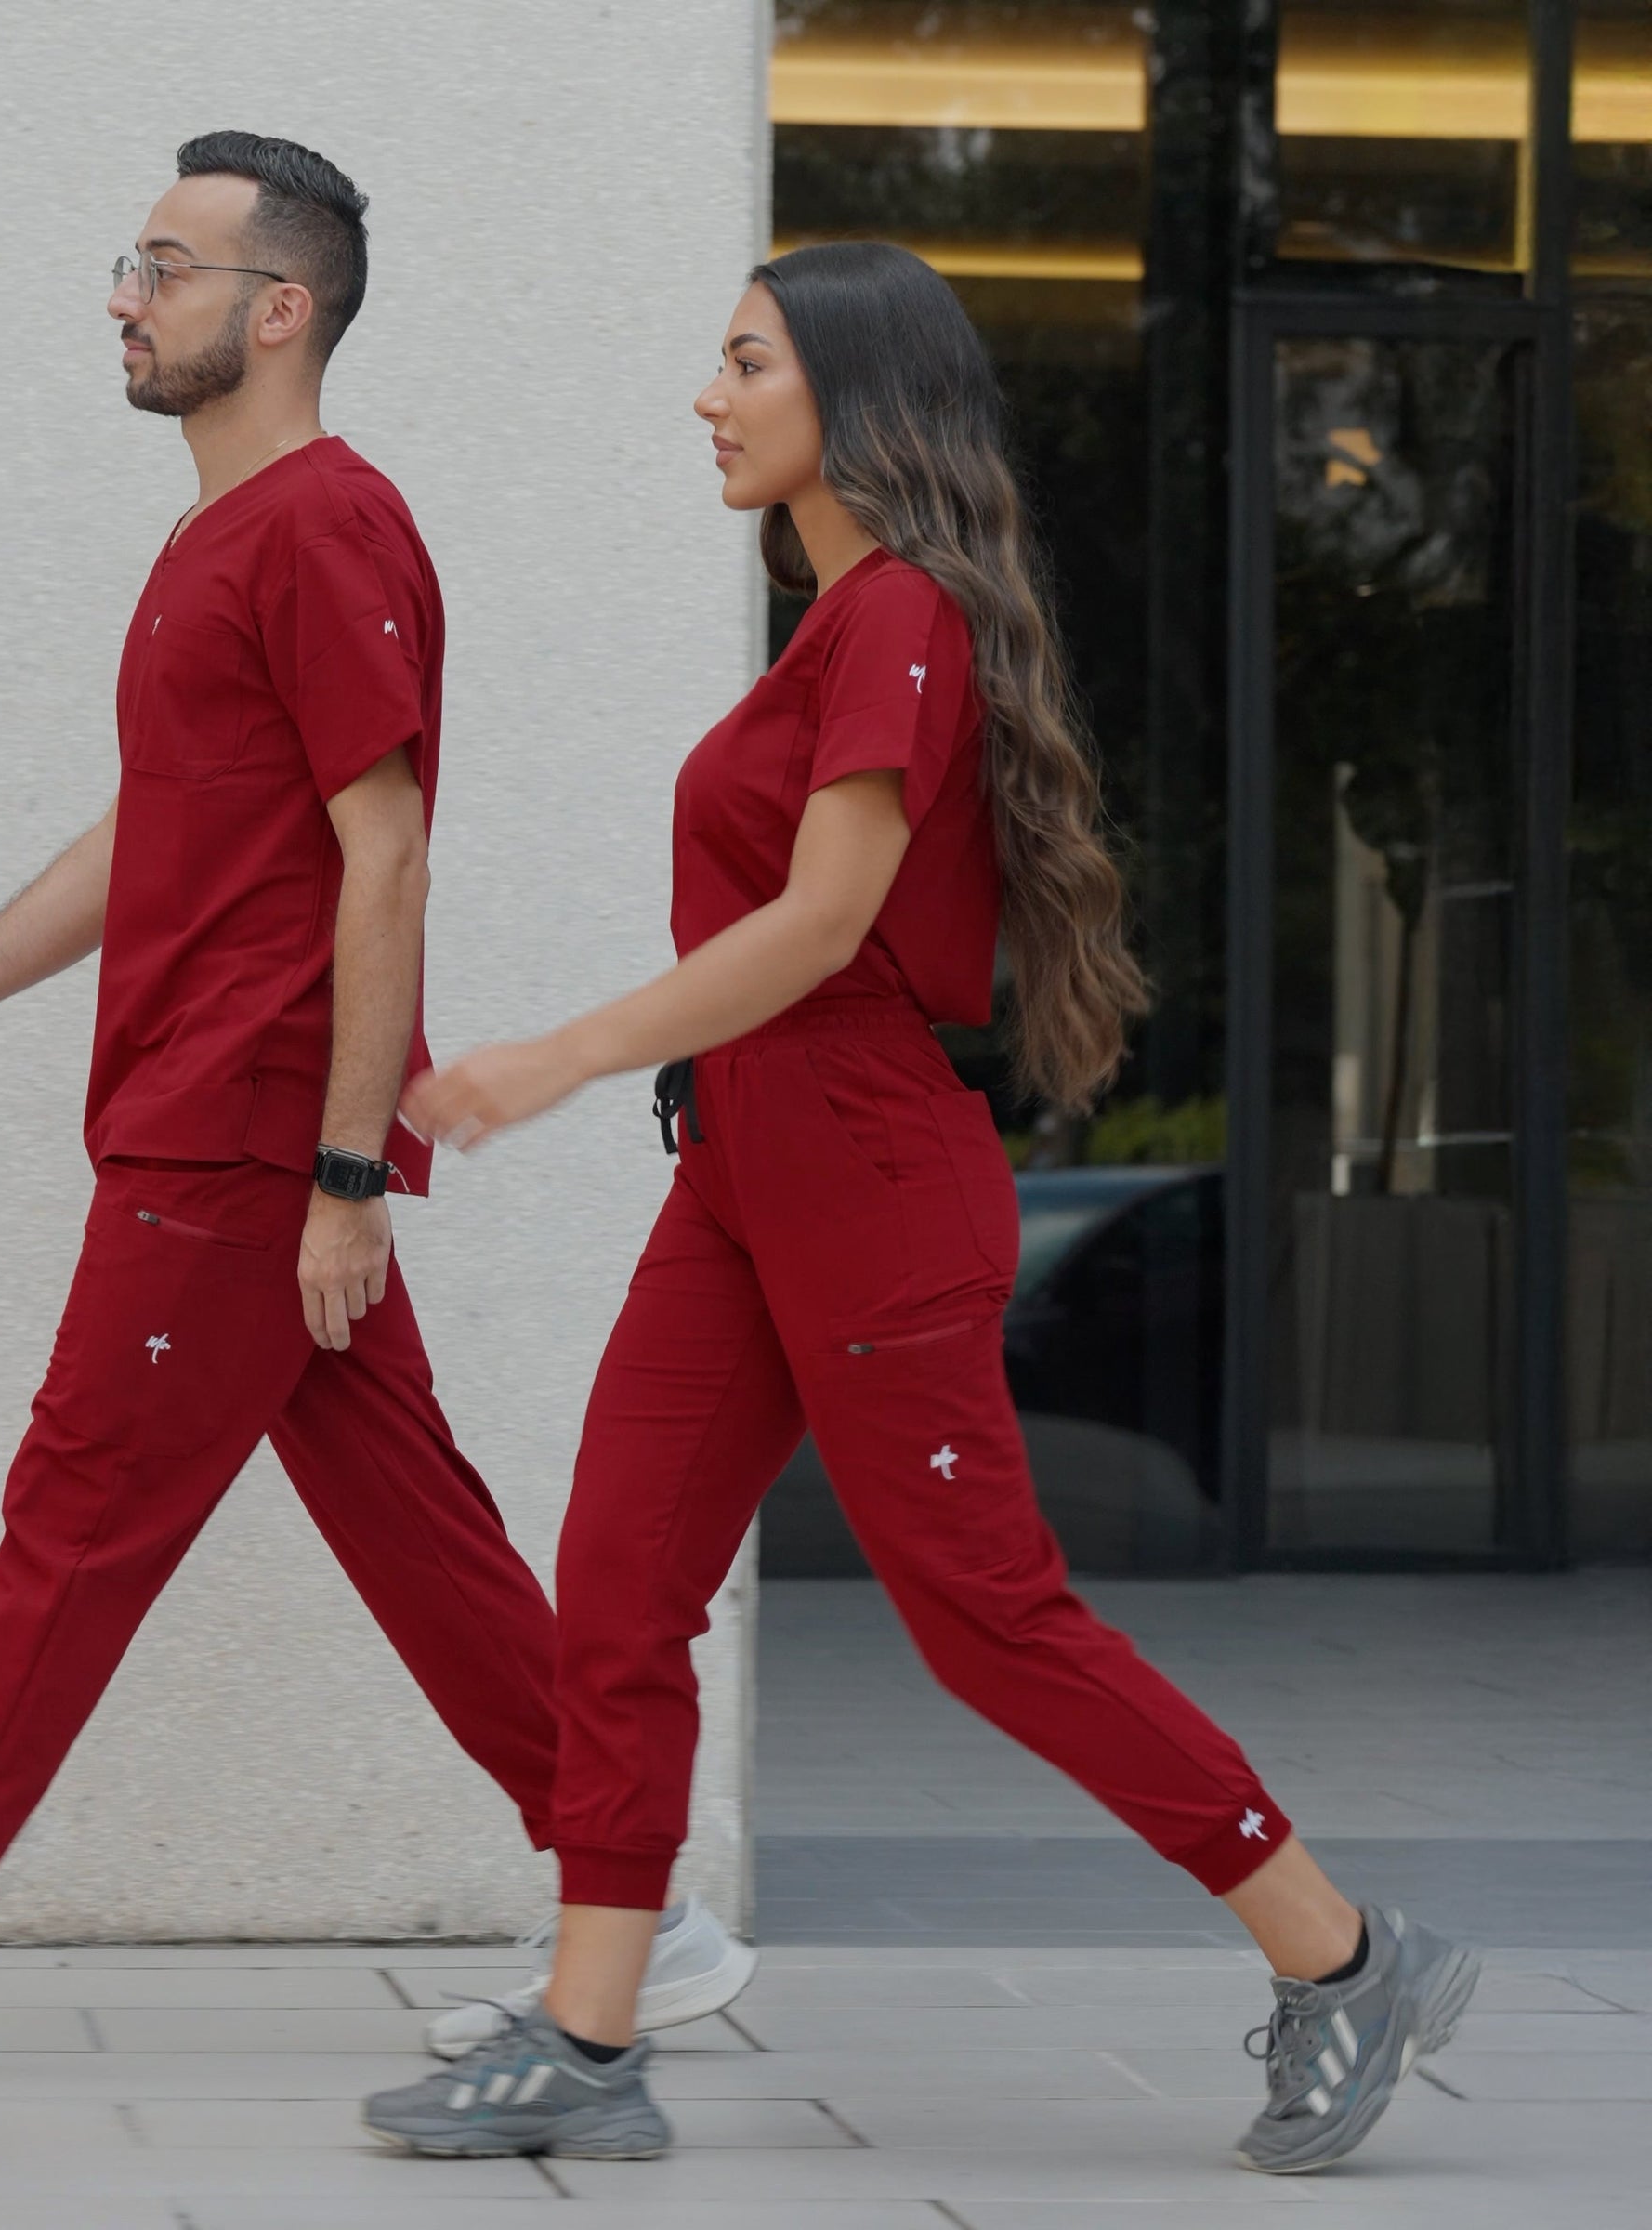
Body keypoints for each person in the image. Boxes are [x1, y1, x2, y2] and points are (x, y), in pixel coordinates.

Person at [361, 242, 1479, 2171]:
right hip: (747, 1182)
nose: (707, 399)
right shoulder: (837, 629)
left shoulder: (903, 617)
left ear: (854, 397)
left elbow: (818, 927)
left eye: (743, 364)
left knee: (986, 1622)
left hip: (864, 1181)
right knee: (620, 1588)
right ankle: (589, 2037)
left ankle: (1341, 1955)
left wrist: (548, 1061)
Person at [0, 132, 752, 2079]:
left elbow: (384, 857)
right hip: (223, 1123)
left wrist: (346, 1171)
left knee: (73, 1517)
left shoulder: (328, 526)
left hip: (241, 1135)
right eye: (132, 261)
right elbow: (157, 837)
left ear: (279, 308)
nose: (123, 296)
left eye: (162, 264)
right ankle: (629, 1904)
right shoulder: (219, 540)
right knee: (420, 1530)